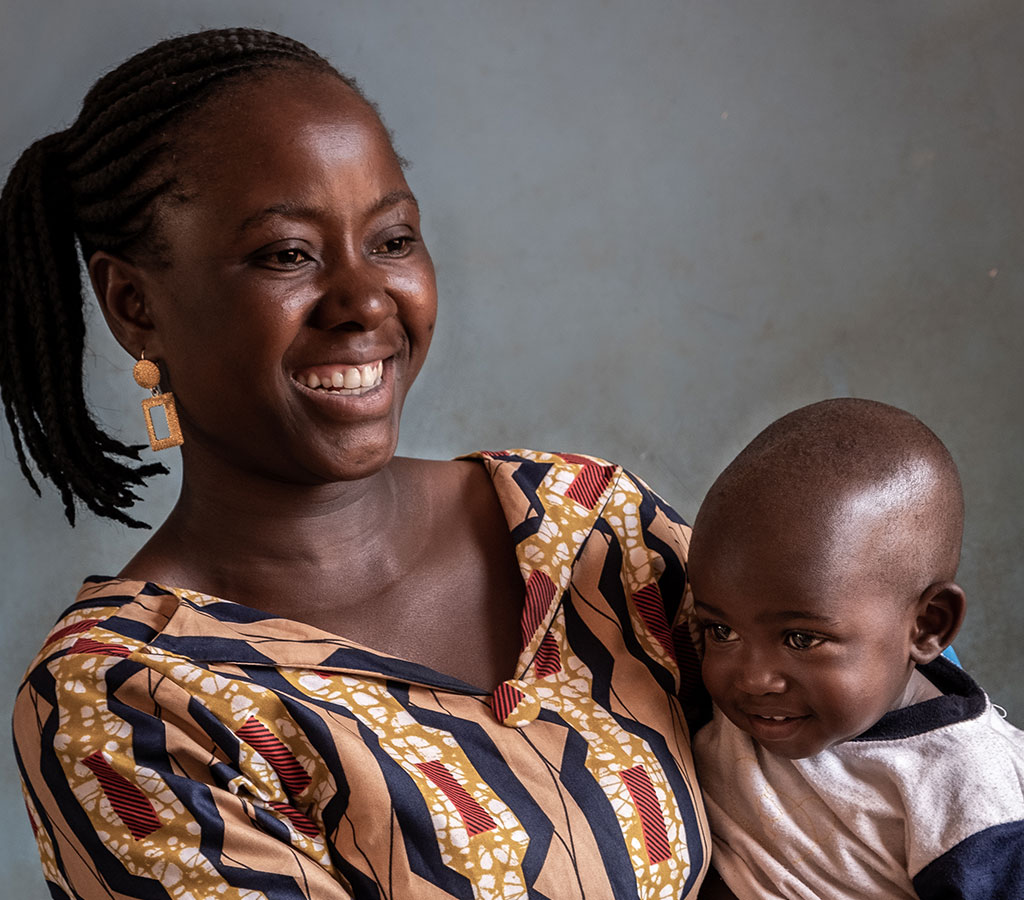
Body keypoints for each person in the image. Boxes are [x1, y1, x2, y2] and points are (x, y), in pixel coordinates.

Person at [3, 28, 712, 899]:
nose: (366, 300)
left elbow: (877, 776)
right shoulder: (130, 702)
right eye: (287, 255)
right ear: (133, 304)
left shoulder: (590, 525)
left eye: (392, 240)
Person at [688, 398, 1024, 900]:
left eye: (801, 639)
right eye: (721, 632)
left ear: (927, 627)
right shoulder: (734, 711)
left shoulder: (965, 789)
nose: (753, 678)